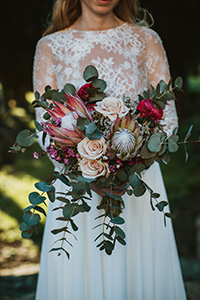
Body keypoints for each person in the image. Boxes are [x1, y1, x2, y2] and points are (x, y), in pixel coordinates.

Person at [33, 0, 187, 299]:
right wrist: (89, 169)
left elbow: (167, 122)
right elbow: (45, 127)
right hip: (77, 186)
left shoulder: (146, 40)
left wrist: (125, 168)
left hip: (138, 185)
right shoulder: (50, 46)